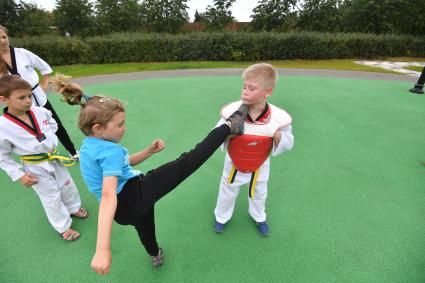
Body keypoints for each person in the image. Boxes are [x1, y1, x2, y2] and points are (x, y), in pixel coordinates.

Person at [50, 74, 248, 274]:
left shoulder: (89, 147)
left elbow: (122, 166)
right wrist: (102, 248)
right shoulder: (110, 152)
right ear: (98, 128)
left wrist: (148, 152)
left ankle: (155, 254)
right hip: (134, 195)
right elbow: (109, 195)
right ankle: (229, 126)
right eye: (120, 125)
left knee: (145, 228)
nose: (124, 128)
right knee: (187, 162)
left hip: (124, 211)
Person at [0, 75, 88, 241]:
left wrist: (48, 140)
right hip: (34, 166)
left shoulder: (41, 112)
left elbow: (52, 124)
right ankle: (63, 227)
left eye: (29, 96)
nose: (28, 101)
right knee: (51, 196)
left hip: (54, 158)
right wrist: (19, 174)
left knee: (66, 185)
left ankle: (73, 207)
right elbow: (2, 156)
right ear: (4, 99)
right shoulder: (2, 127)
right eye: (21, 98)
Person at [213, 63, 294, 236]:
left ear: (268, 92)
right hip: (234, 162)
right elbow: (215, 135)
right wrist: (227, 132)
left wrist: (277, 135)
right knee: (227, 189)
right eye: (244, 87)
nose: (245, 91)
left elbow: (289, 142)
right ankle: (221, 217)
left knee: (259, 192)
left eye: (251, 88)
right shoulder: (232, 112)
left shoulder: (277, 118)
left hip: (260, 164)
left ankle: (259, 216)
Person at [0, 25, 79, 158]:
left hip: (37, 96)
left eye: (4, 36)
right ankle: (44, 156)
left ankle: (73, 152)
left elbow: (44, 67)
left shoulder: (22, 53)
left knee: (55, 123)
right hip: (16, 103)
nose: (2, 40)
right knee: (29, 130)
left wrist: (44, 83)